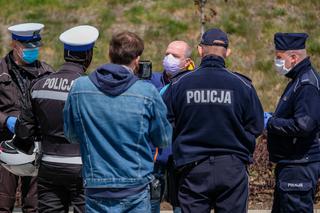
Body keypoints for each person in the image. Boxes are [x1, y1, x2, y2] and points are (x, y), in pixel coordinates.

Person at [63, 31, 172, 213]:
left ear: (109, 54)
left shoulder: (80, 88)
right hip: (135, 186)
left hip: (96, 184)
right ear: (137, 60)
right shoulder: (147, 92)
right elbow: (163, 139)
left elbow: (71, 135)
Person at [162, 28, 264, 213]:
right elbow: (256, 126)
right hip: (232, 168)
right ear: (228, 52)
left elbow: (163, 122)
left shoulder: (178, 84)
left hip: (192, 169)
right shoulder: (243, 85)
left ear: (200, 51)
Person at [14, 25, 99, 213]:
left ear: (65, 53)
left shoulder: (38, 85)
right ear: (88, 55)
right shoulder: (92, 88)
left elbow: (24, 131)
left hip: (49, 166)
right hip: (84, 168)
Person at [0, 23, 53, 213]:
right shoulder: (1, 71)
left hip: (36, 146)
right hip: (6, 145)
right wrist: (6, 120)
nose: (33, 51)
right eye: (28, 47)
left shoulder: (47, 72)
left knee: (34, 204)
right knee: (3, 202)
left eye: (36, 47)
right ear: (15, 45)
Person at [265, 33, 320, 213]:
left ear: (294, 57)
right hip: (292, 164)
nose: (277, 62)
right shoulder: (298, 80)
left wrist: (271, 123)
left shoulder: (306, 85)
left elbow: (304, 125)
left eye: (279, 57)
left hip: (299, 166)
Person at [149, 40, 193, 213]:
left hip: (180, 157)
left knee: (180, 206)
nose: (169, 58)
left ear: (187, 62)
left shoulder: (192, 83)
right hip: (155, 156)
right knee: (150, 203)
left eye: (175, 56)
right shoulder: (151, 80)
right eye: (167, 54)